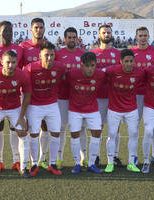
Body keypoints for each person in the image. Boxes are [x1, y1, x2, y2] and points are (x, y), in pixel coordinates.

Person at [0, 50, 32, 180]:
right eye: (8, 62)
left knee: (22, 133)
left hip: (15, 108)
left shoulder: (22, 75)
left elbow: (27, 95)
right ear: (2, 62)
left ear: (17, 63)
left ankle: (23, 167)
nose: (10, 65)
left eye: (13, 62)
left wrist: (21, 116)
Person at [23, 42, 65, 176]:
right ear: (39, 55)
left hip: (52, 104)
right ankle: (34, 164)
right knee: (34, 133)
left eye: (52, 55)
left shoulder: (60, 67)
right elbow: (23, 88)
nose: (49, 57)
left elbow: (64, 77)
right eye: (46, 54)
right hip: (34, 105)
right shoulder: (30, 69)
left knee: (56, 133)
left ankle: (52, 163)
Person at [0, 20, 24, 173]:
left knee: (15, 128)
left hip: (15, 94)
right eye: (5, 31)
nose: (8, 34)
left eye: (10, 31)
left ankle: (16, 161)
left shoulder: (19, 49)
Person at [104, 49, 145, 173]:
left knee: (133, 134)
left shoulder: (140, 73)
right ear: (121, 61)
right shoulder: (112, 70)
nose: (129, 64)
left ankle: (131, 163)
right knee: (112, 135)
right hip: (114, 109)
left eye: (131, 61)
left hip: (131, 109)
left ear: (134, 62)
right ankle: (110, 162)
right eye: (126, 61)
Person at [67, 52, 105, 174]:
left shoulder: (100, 74)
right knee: (74, 135)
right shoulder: (72, 74)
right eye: (87, 65)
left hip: (92, 109)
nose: (90, 68)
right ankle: (77, 163)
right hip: (75, 110)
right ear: (81, 64)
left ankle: (92, 164)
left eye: (93, 65)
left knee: (97, 133)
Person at [90, 24, 122, 167]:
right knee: (97, 128)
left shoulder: (118, 54)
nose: (106, 35)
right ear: (99, 35)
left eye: (108, 32)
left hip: (114, 97)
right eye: (104, 32)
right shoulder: (93, 53)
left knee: (115, 129)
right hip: (98, 97)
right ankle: (95, 157)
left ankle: (114, 156)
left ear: (112, 34)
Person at [20, 18, 50, 169]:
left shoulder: (48, 46)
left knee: (44, 126)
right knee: (27, 127)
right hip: (26, 94)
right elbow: (18, 69)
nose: (38, 30)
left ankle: (42, 158)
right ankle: (29, 161)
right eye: (36, 27)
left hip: (44, 93)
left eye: (41, 27)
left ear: (44, 29)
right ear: (31, 29)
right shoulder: (23, 46)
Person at [54, 27, 87, 169]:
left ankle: (84, 158)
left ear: (77, 38)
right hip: (61, 97)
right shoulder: (58, 54)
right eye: (69, 37)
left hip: (78, 97)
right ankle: (59, 158)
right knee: (61, 128)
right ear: (64, 39)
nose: (72, 40)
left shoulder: (84, 54)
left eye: (74, 37)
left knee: (81, 128)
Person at [130, 26, 154, 167]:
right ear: (136, 37)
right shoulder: (130, 53)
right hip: (135, 95)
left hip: (151, 94)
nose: (142, 38)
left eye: (145, 35)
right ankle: (134, 156)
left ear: (148, 36)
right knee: (134, 126)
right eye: (140, 35)